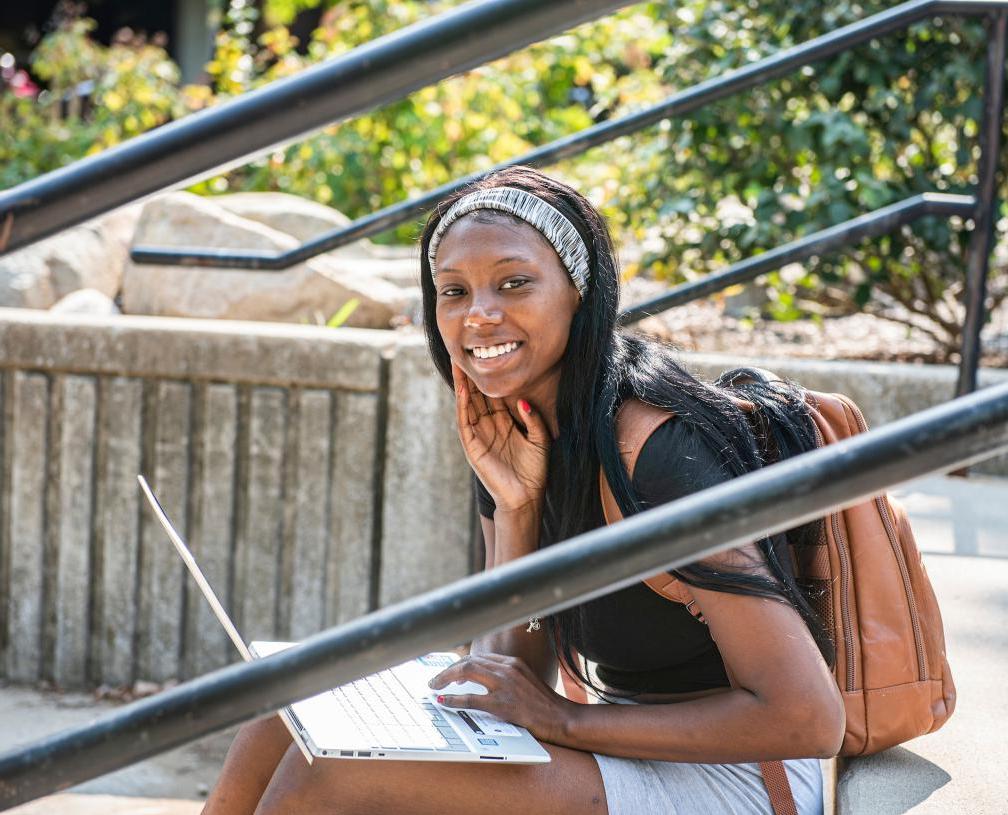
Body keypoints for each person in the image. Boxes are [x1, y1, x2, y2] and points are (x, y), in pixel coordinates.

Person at [202, 166, 844, 815]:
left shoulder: (655, 450)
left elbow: (804, 716)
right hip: (628, 746)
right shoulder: (523, 427)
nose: (478, 314)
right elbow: (512, 672)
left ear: (578, 291)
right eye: (453, 291)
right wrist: (516, 509)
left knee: (335, 777)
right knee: (284, 713)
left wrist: (564, 720)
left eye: (513, 282)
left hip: (740, 775)